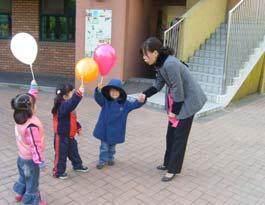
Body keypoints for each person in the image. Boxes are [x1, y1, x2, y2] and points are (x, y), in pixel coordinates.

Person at [139, 37, 207, 182]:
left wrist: (174, 111)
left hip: (188, 101)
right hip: (178, 101)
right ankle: (167, 163)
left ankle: (173, 169)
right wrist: (145, 94)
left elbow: (178, 88)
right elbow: (158, 84)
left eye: (146, 54)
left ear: (155, 53)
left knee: (179, 138)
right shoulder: (160, 64)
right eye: (143, 55)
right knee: (171, 135)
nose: (144, 58)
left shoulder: (170, 64)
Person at [93, 79, 145, 169]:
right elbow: (98, 98)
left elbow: (134, 105)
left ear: (120, 92)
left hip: (116, 131)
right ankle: (102, 161)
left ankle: (110, 158)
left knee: (112, 148)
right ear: (108, 92)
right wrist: (98, 90)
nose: (113, 93)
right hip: (104, 130)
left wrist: (140, 101)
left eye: (116, 91)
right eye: (111, 91)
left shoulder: (125, 104)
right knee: (104, 147)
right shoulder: (105, 101)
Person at [11, 80, 47, 204]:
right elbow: (35, 146)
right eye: (34, 105)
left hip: (21, 158)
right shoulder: (31, 126)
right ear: (29, 108)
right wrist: (40, 161)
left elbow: (29, 99)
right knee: (32, 181)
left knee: (23, 177)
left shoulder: (19, 115)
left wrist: (33, 88)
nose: (35, 105)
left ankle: (19, 194)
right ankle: (33, 200)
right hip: (31, 161)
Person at [52, 83, 88, 179]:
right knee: (61, 155)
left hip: (70, 136)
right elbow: (71, 103)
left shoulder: (68, 106)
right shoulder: (62, 106)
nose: (73, 94)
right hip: (61, 136)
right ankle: (58, 172)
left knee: (74, 152)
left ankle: (77, 165)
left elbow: (73, 120)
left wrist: (78, 127)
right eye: (71, 93)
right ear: (65, 96)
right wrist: (78, 94)